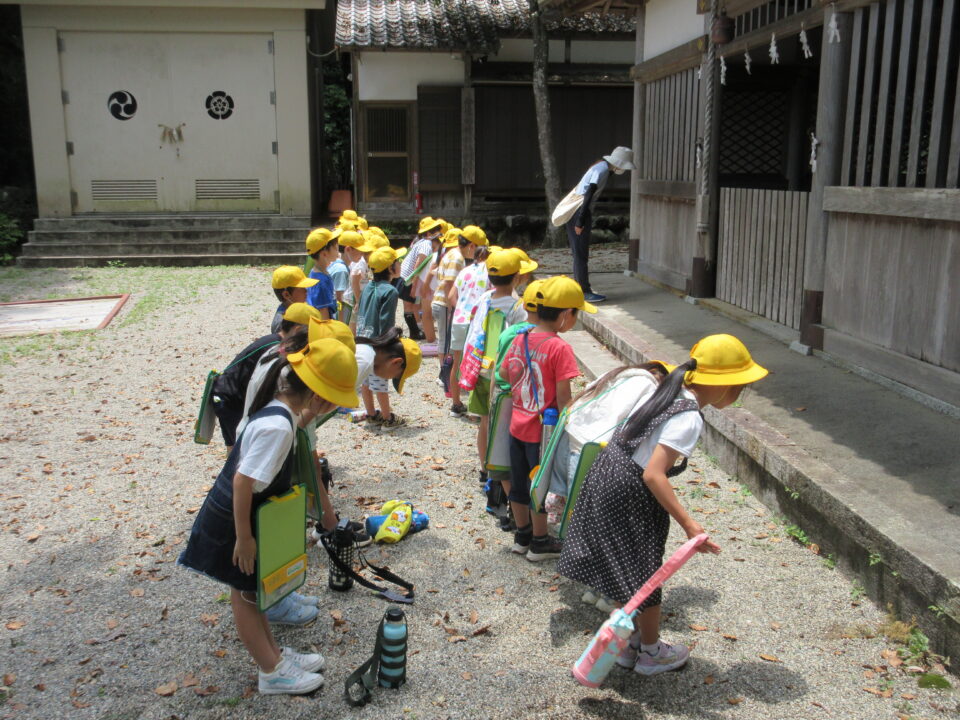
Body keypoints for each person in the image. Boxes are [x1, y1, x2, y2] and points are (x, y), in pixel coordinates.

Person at [558, 334, 767, 676]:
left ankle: (629, 644)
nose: (740, 393)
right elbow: (654, 475)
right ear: (723, 384)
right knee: (645, 575)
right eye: (740, 386)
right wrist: (689, 524)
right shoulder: (689, 416)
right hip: (630, 492)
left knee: (628, 570)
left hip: (607, 476)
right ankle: (652, 652)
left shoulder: (670, 392)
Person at [178, 338, 359, 695]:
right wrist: (245, 538)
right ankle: (271, 671)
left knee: (252, 592)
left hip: (243, 516)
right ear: (319, 395)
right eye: (334, 400)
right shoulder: (277, 428)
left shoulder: (282, 407)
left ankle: (273, 655)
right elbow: (242, 481)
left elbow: (295, 425)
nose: (335, 407)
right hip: (236, 522)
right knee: (245, 596)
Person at [501, 276, 594, 561]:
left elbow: (504, 373)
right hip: (544, 431)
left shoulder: (520, 338)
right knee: (539, 484)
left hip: (517, 425)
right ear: (565, 314)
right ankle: (540, 542)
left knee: (519, 483)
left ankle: (522, 537)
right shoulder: (559, 347)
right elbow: (564, 397)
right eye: (576, 314)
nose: (575, 319)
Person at [461, 248, 535, 480]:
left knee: (484, 423)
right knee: (502, 425)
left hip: (479, 369)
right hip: (502, 376)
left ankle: (485, 470)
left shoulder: (484, 298)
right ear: (517, 277)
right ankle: (501, 472)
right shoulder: (518, 307)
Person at [212, 302, 321, 450]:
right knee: (237, 447)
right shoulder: (276, 349)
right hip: (229, 398)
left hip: (234, 394)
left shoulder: (276, 342)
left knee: (239, 443)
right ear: (298, 330)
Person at [567, 146, 636, 304]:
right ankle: (584, 292)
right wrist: (581, 221)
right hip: (580, 212)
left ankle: (580, 290)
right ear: (619, 164)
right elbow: (589, 193)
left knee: (578, 254)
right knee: (581, 255)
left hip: (576, 211)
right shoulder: (602, 170)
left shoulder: (600, 167)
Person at [433, 225, 488, 411]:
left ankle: (456, 404)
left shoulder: (465, 271)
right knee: (479, 362)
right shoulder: (488, 271)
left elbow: (451, 296)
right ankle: (478, 404)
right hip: (477, 323)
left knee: (457, 362)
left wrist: (460, 310)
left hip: (459, 320)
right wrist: (474, 314)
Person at [355, 246, 409, 430]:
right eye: (397, 261)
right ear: (390, 268)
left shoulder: (368, 287)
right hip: (378, 343)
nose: (400, 264)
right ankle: (387, 418)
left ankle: (371, 415)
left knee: (366, 381)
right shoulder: (390, 291)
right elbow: (386, 322)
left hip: (362, 340)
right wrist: (391, 343)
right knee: (380, 381)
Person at [399, 216, 444, 341]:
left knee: (413, 305)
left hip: (407, 276)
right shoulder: (426, 244)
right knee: (410, 306)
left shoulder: (420, 242)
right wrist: (414, 283)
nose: (438, 234)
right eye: (436, 231)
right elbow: (418, 264)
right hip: (409, 278)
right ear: (429, 233)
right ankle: (415, 331)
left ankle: (417, 330)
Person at [270, 266, 318, 334]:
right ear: (286, 295)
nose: (306, 290)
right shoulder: (282, 323)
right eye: (302, 288)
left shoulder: (302, 308)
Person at [305, 228, 338, 320]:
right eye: (335, 248)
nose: (337, 251)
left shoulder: (316, 272)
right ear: (324, 254)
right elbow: (323, 313)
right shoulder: (321, 281)